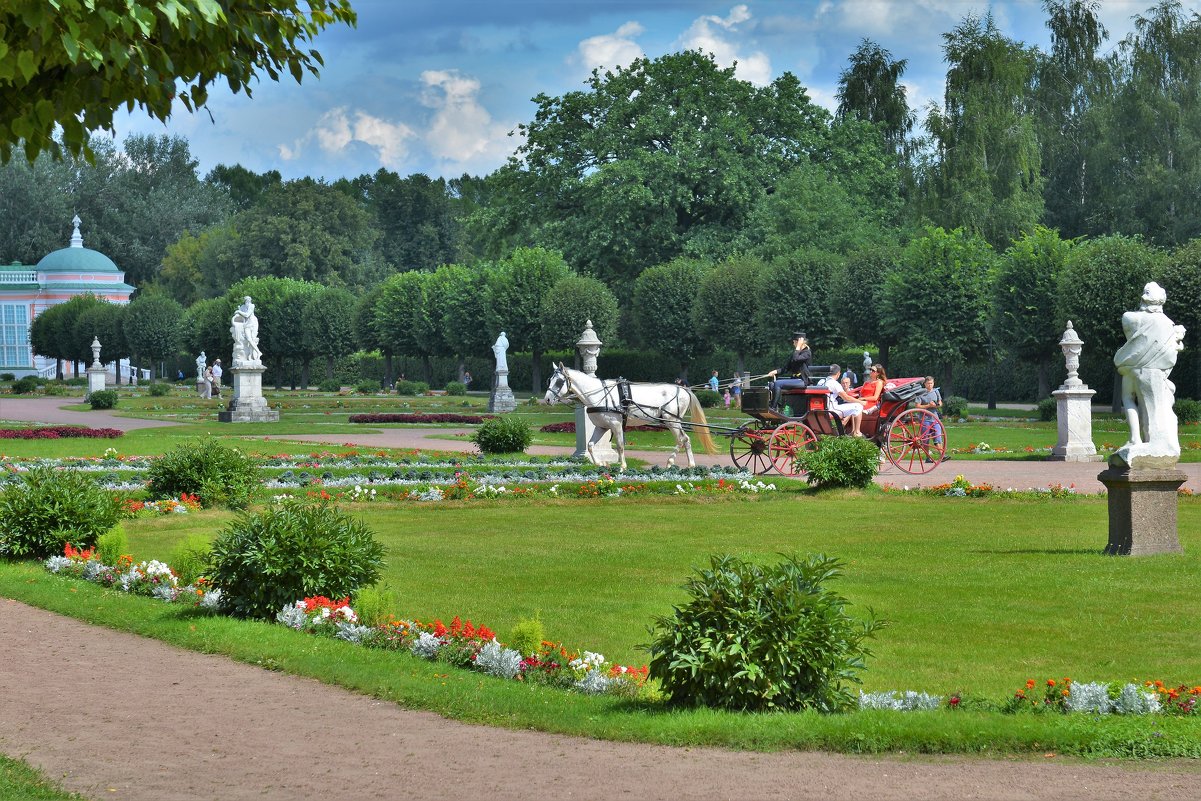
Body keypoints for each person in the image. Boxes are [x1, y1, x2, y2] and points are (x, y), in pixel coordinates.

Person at [1113, 281, 1187, 465]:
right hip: (1153, 371)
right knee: (1151, 408)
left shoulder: (1131, 318)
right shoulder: (1168, 324)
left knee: (1128, 399)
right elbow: (1172, 352)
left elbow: (1133, 339)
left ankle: (1135, 439)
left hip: (1132, 368)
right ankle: (1147, 441)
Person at [766, 332, 812, 411]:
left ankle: (773, 408)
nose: (793, 344)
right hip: (795, 379)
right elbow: (786, 368)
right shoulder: (795, 353)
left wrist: (797, 347)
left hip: (803, 380)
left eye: (794, 342)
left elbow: (796, 359)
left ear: (799, 342)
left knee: (777, 383)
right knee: (772, 384)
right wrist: (776, 371)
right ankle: (777, 406)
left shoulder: (807, 352)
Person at [821, 364, 865, 436]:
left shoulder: (821, 381)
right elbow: (846, 398)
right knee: (858, 406)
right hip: (831, 409)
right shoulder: (834, 383)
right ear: (838, 374)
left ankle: (842, 430)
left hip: (821, 409)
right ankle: (857, 432)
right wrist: (861, 402)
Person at [913, 375, 944, 449]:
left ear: (933, 383)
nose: (930, 385)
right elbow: (917, 406)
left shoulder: (936, 391)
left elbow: (940, 402)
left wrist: (938, 404)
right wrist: (928, 405)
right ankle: (928, 458)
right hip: (925, 419)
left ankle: (942, 455)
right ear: (925, 384)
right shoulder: (920, 393)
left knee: (938, 436)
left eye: (931, 383)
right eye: (928, 383)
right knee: (925, 440)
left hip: (935, 418)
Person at [230, 296, 262, 365]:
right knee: (249, 339)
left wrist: (239, 311)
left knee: (252, 339)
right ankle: (258, 352)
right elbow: (240, 315)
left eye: (248, 300)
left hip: (253, 323)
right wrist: (238, 313)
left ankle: (251, 355)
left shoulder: (252, 306)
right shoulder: (242, 307)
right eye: (246, 300)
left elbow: (247, 315)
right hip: (246, 324)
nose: (247, 301)